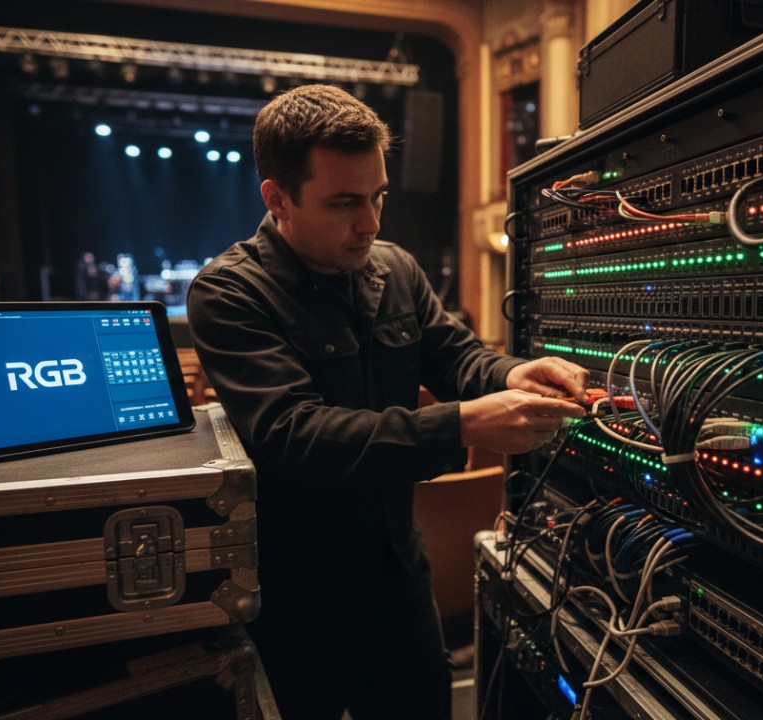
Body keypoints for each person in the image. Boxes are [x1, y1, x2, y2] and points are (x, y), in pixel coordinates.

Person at [187, 84, 588, 720]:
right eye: (345, 203)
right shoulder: (229, 293)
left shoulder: (394, 268)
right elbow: (297, 434)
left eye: (377, 197)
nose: (371, 223)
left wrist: (515, 375)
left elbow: (460, 359)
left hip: (397, 576)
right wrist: (460, 422)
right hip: (291, 597)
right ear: (277, 198)